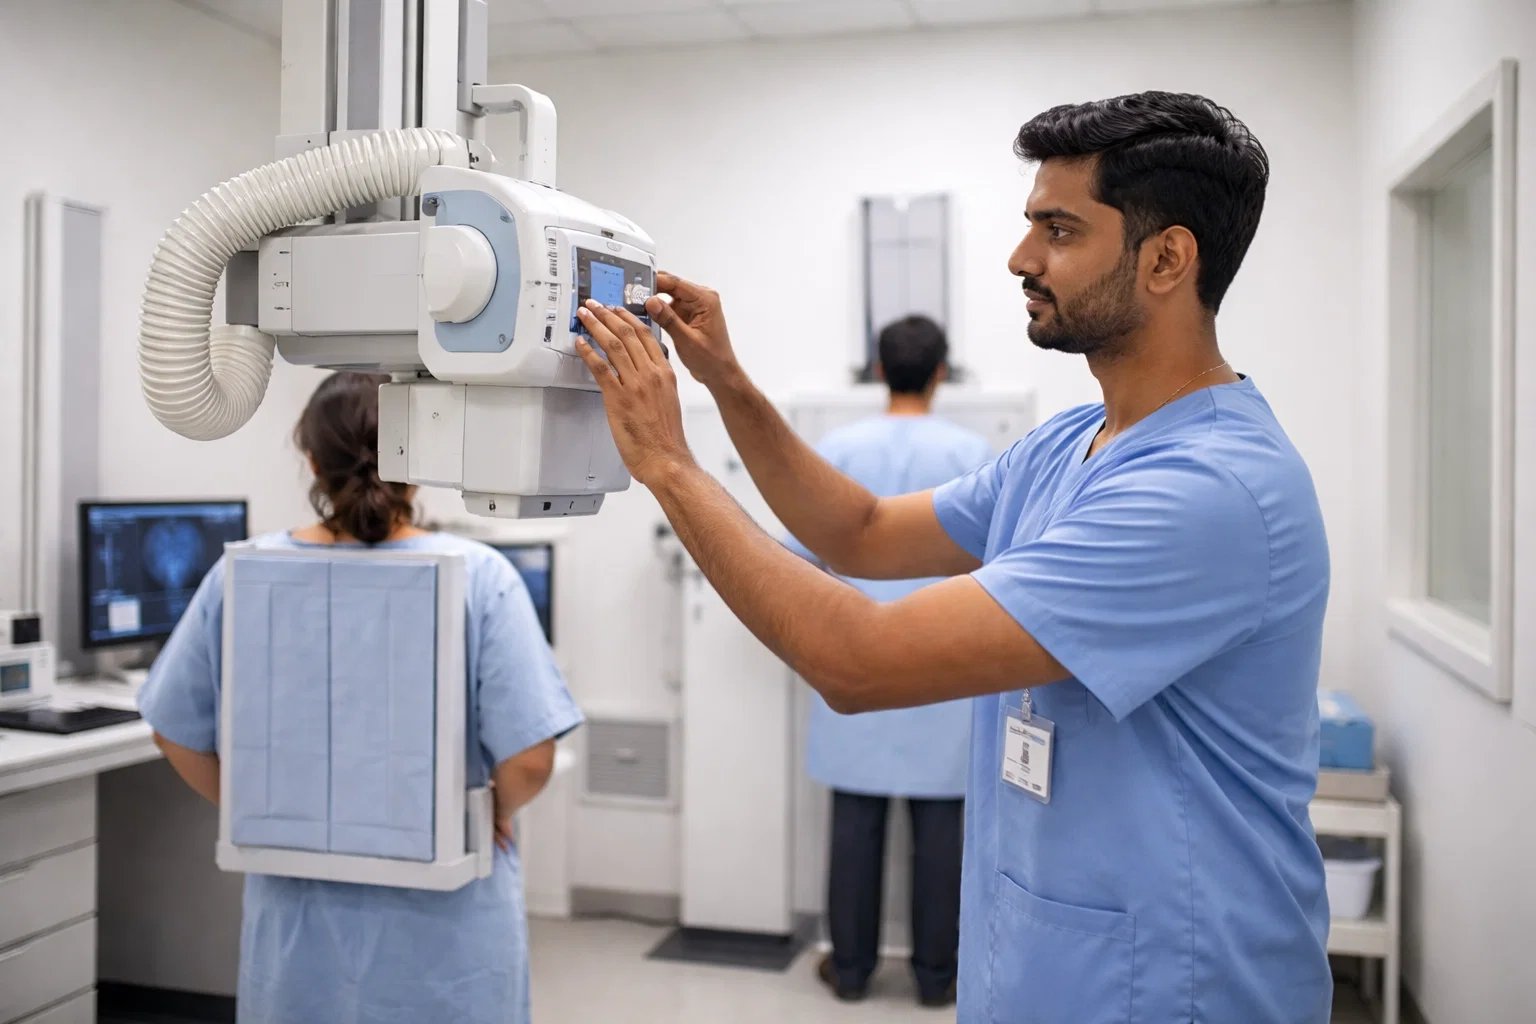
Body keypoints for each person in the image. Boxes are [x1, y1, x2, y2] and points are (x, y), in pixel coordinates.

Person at [571, 91, 1331, 1023]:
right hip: (1045, 969)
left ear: (1167, 258)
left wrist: (667, 463)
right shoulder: (1070, 445)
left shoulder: (1208, 490)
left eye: (1059, 230)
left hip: (1173, 988)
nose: (1021, 259)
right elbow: (859, 530)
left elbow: (858, 661)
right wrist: (724, 382)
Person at [137, 372, 582, 1024]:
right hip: (445, 940)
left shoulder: (242, 574)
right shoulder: (480, 577)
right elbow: (531, 760)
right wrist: (478, 812)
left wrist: (259, 807)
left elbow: (173, 731)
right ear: (421, 460)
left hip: (300, 935)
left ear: (311, 460)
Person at [784, 315, 989, 1007]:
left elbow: (798, 554)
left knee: (854, 829)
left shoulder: (837, 448)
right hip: (944, 667)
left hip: (855, 662)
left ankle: (849, 973)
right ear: (940, 372)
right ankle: (937, 980)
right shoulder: (974, 453)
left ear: (878, 368)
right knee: (941, 834)